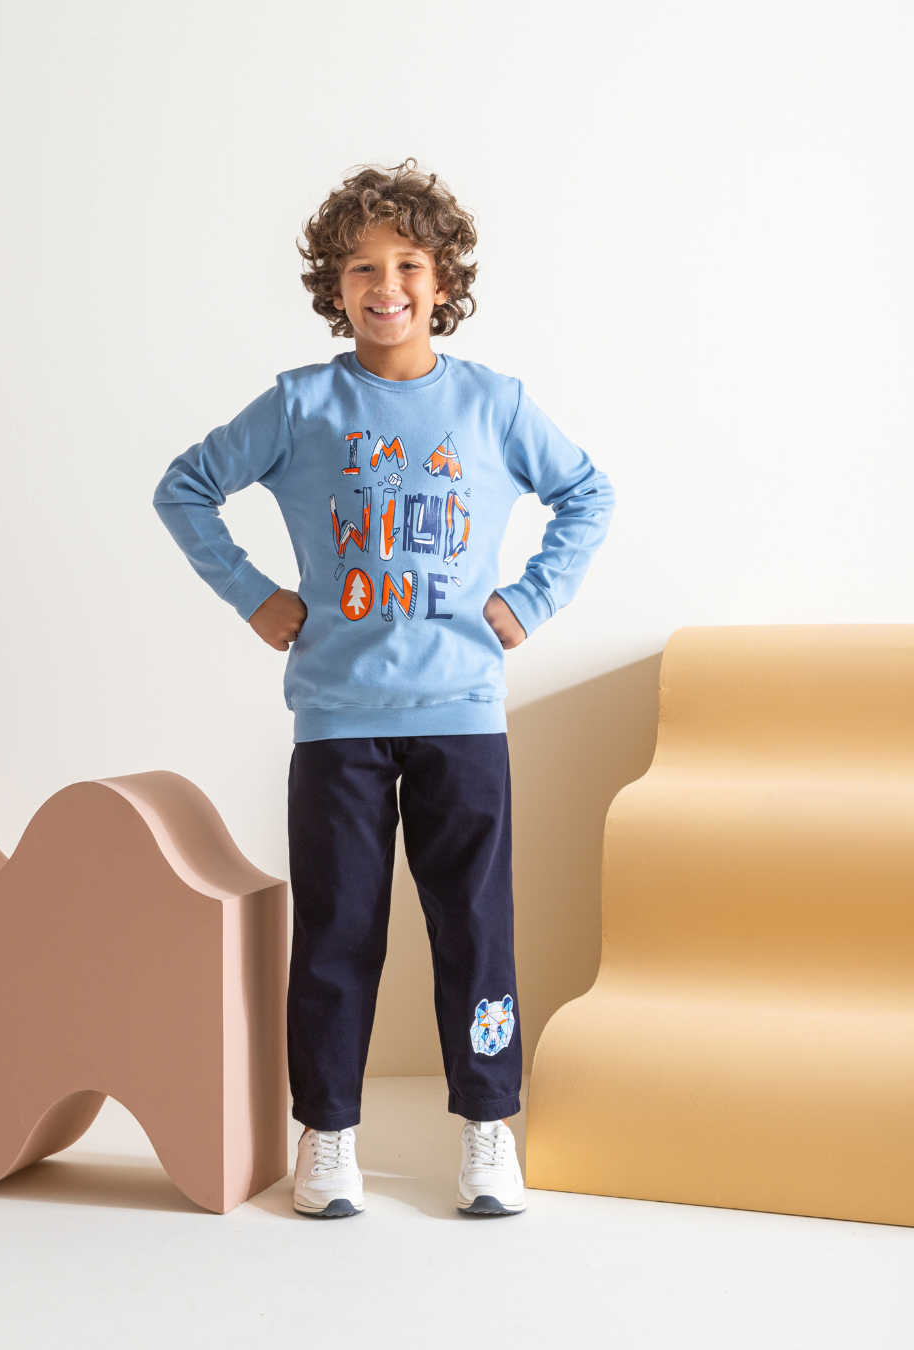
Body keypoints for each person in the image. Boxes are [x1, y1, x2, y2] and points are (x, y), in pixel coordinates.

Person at [154, 161, 614, 1218]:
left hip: (463, 718)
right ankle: (328, 1132)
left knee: (475, 929)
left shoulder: (494, 404)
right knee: (337, 934)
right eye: (362, 267)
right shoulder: (301, 404)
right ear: (335, 285)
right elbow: (185, 488)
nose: (387, 285)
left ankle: (488, 1125)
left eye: (409, 263)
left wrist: (531, 599)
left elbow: (587, 493)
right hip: (338, 722)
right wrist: (254, 596)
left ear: (444, 281)